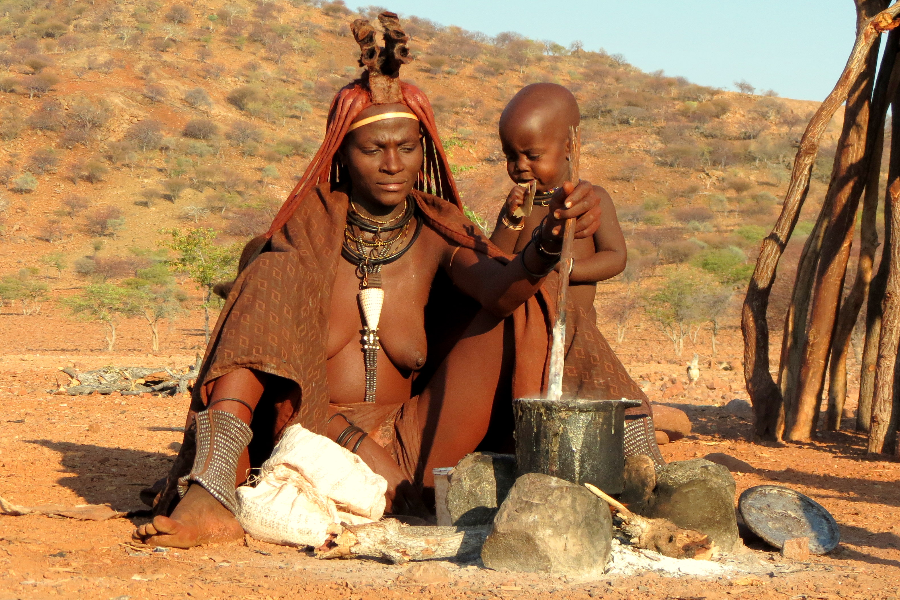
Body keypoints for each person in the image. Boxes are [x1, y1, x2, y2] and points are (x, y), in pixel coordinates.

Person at [133, 13, 605, 549]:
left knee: (523, 302)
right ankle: (212, 489)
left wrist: (544, 245)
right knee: (268, 269)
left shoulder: (436, 231)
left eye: (406, 147)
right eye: (372, 149)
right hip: (312, 435)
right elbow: (292, 381)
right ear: (343, 155)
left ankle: (594, 444)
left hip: (419, 442)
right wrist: (351, 438)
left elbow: (498, 287)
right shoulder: (308, 234)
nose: (391, 164)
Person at [489, 83, 665, 464]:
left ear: (569, 146)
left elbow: (616, 256)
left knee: (582, 397)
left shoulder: (591, 199)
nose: (520, 165)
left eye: (532, 155)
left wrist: (570, 270)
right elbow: (496, 261)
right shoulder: (520, 205)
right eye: (510, 155)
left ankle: (622, 459)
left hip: (575, 327)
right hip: (520, 330)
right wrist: (510, 218)